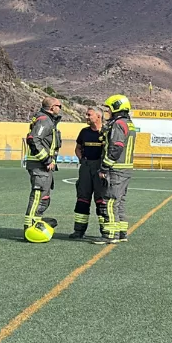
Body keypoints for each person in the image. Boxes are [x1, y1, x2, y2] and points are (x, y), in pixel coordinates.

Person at [94, 94, 137, 244]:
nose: (108, 112)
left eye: (109, 109)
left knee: (110, 201)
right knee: (120, 202)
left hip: (116, 169)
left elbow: (116, 147)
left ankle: (110, 235)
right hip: (126, 169)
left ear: (117, 108)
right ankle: (121, 233)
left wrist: (104, 167)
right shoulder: (129, 124)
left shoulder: (118, 124)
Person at [23, 97, 63, 233]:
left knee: (43, 198)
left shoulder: (47, 120)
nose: (60, 108)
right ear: (52, 107)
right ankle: (29, 228)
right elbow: (33, 140)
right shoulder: (45, 120)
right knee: (37, 197)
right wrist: (46, 160)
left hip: (42, 166)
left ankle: (35, 224)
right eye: (59, 106)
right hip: (40, 166)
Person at [70, 107, 106, 240]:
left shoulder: (107, 132)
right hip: (86, 167)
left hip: (101, 168)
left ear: (98, 116)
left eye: (89, 114)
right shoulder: (84, 132)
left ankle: (105, 231)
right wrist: (82, 160)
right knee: (82, 199)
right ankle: (79, 231)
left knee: (101, 200)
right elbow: (78, 148)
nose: (86, 117)